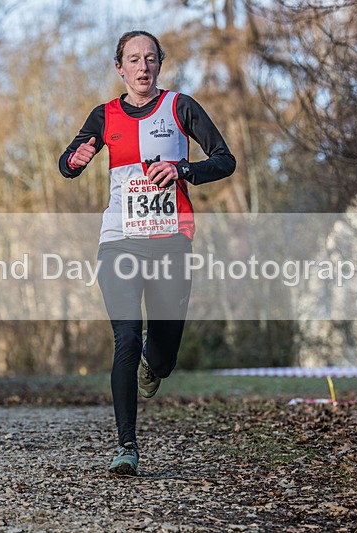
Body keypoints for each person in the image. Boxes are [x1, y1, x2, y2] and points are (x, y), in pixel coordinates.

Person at [59, 30, 235, 475]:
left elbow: (224, 159)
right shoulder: (104, 115)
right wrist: (74, 160)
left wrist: (182, 169)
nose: (143, 66)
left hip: (170, 240)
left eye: (151, 58)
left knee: (163, 354)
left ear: (159, 63)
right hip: (119, 239)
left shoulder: (181, 107)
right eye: (134, 59)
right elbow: (68, 163)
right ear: (120, 68)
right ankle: (126, 445)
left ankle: (154, 365)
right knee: (126, 338)